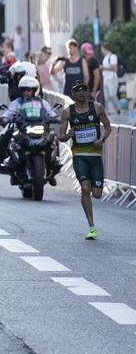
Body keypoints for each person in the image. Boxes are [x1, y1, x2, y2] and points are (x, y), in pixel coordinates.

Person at [58, 82, 112, 240]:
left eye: (84, 89)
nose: (81, 92)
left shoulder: (97, 108)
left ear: (87, 92)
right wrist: (68, 134)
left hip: (95, 155)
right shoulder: (67, 112)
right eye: (77, 90)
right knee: (85, 188)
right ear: (73, 94)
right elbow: (60, 137)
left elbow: (108, 127)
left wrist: (101, 139)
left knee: (97, 194)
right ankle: (92, 226)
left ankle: (92, 224)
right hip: (79, 155)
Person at [100, 44, 120, 115]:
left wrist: (103, 68)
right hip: (106, 78)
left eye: (102, 48)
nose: (101, 50)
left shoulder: (112, 56)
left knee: (112, 95)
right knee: (107, 97)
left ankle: (119, 108)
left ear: (105, 48)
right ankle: (111, 112)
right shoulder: (105, 57)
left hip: (112, 78)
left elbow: (114, 68)